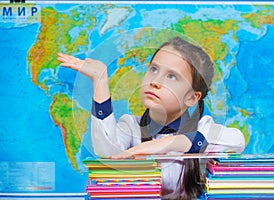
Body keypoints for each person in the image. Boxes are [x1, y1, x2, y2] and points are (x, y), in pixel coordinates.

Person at [57, 36, 245, 199]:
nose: (155, 82)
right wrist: (100, 81)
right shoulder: (131, 126)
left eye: (172, 76)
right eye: (154, 69)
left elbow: (237, 141)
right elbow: (106, 151)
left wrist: (166, 144)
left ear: (191, 97)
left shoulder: (204, 127)